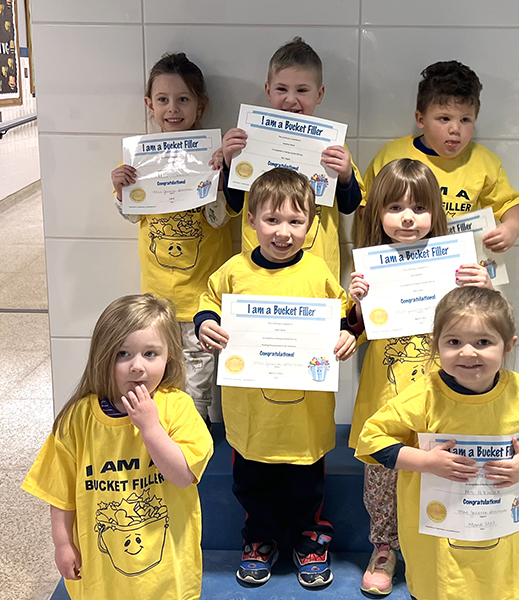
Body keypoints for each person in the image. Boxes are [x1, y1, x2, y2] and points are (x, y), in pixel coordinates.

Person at [195, 168, 357, 589]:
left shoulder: (318, 272)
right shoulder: (233, 271)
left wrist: (347, 331)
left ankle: (309, 538)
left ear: (312, 224)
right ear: (251, 220)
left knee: (306, 481)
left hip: (305, 411)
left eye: (295, 221)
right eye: (272, 220)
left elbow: (342, 313)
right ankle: (260, 538)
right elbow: (208, 302)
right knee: (252, 480)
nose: (283, 232)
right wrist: (206, 324)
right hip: (251, 414)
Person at [355, 286, 519, 600]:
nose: (468, 353)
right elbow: (370, 440)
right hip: (436, 547)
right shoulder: (424, 396)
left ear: (508, 346)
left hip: (501, 547)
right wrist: (425, 462)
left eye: (483, 342)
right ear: (436, 345)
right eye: (454, 342)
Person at [348, 158, 493, 595]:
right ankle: (385, 547)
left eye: (418, 208)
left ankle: (435, 549)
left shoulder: (457, 268)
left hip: (442, 402)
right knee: (383, 481)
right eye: (394, 208)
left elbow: (482, 328)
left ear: (436, 214)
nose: (407, 218)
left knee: (441, 476)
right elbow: (352, 333)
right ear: (377, 215)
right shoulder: (368, 270)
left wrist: (481, 290)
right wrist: (354, 306)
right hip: (387, 402)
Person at [22, 294, 214, 600]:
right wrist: (62, 543)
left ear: (170, 359)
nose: (137, 366)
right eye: (123, 353)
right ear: (103, 356)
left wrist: (151, 428)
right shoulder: (78, 419)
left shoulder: (178, 408)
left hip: (166, 570)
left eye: (151, 353)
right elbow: (58, 490)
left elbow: (182, 475)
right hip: (101, 571)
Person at [111, 52, 239, 427]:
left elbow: (219, 218)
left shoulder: (212, 161)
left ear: (201, 105)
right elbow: (133, 214)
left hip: (201, 300)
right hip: (156, 300)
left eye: (183, 99)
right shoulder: (138, 165)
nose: (173, 108)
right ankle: (160, 442)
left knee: (197, 389)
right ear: (149, 105)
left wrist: (222, 176)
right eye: (163, 99)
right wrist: (121, 189)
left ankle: (191, 452)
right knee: (156, 380)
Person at [220, 36, 365, 280]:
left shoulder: (332, 144)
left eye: (302, 90)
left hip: (316, 270)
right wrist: (227, 163)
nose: (290, 99)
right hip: (259, 270)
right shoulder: (249, 140)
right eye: (281, 89)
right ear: (268, 90)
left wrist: (345, 176)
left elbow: (349, 207)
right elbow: (234, 204)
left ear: (319, 94)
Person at [363, 60, 519, 253]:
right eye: (444, 118)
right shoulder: (392, 156)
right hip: (399, 264)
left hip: (456, 266)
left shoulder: (483, 162)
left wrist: (511, 228)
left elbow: (511, 204)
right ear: (421, 119)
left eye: (465, 120)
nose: (455, 129)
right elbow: (366, 206)